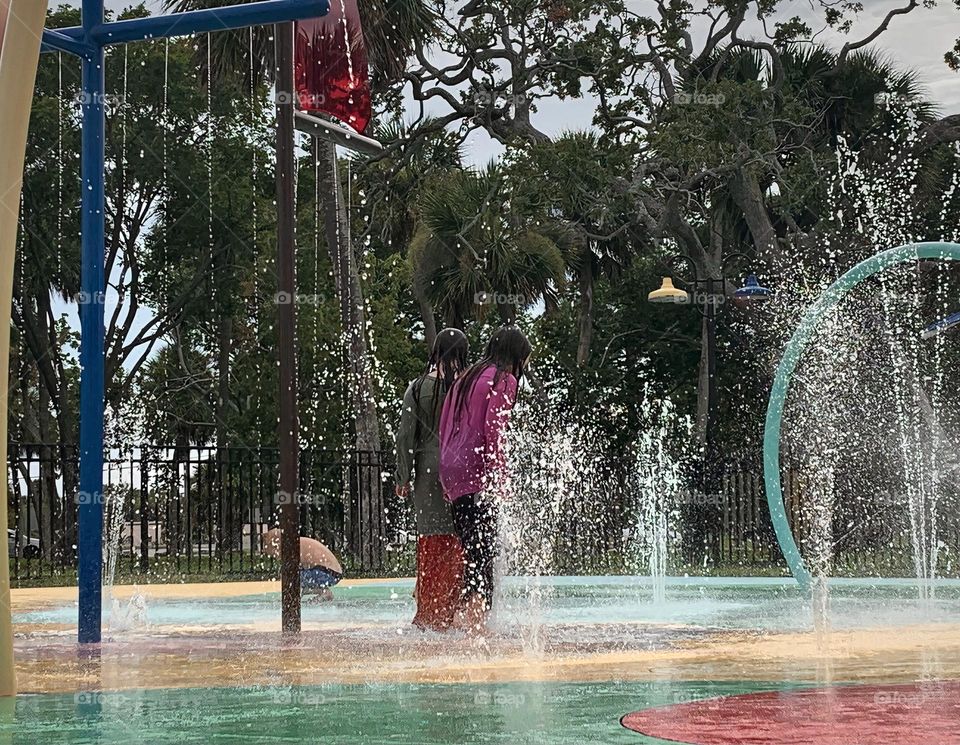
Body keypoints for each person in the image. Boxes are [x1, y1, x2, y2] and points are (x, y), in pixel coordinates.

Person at [439, 325, 531, 632]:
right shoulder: (503, 380)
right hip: (477, 471)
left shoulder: (465, 378)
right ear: (516, 357)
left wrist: (444, 475)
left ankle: (461, 618)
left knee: (471, 548)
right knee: (485, 552)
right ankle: (476, 628)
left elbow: (444, 425)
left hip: (451, 469)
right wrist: (501, 478)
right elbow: (495, 430)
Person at [395, 328, 469, 630]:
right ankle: (455, 612)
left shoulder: (416, 388)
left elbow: (405, 437)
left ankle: (428, 613)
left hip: (427, 474)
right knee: (459, 542)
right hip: (462, 473)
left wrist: (402, 476)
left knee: (430, 543)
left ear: (435, 352)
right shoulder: (466, 388)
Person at [262, 528, 343, 602]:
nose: (265, 551)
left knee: (294, 576)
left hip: (329, 573)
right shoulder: (295, 543)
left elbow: (293, 573)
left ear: (276, 544)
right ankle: (316, 593)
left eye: (267, 547)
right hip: (331, 573)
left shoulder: (292, 547)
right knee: (296, 577)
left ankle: (324, 592)